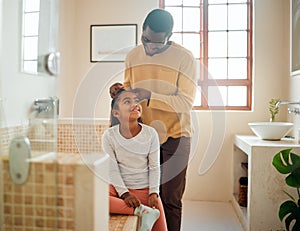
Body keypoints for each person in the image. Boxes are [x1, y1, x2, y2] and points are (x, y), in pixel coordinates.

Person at [111, 8, 197, 231]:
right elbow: (130, 93)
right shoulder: (133, 56)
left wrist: (149, 95)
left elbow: (185, 103)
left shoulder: (184, 58)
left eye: (157, 44)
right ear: (142, 32)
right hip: (144, 139)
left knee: (170, 201)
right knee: (146, 197)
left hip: (176, 138)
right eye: (145, 40)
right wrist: (120, 92)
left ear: (169, 37)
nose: (150, 47)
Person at [102, 88, 168, 231]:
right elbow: (112, 168)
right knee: (95, 199)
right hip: (118, 189)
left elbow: (155, 166)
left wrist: (153, 193)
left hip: (145, 190)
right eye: (127, 101)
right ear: (116, 113)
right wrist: (125, 194)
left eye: (136, 101)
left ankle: (146, 209)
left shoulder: (150, 133)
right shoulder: (109, 136)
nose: (135, 104)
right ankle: (141, 211)